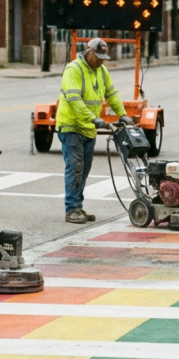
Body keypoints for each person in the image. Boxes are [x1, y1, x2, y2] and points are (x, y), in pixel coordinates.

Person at [56, 38, 132, 224]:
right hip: (71, 126)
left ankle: (78, 207)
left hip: (89, 129)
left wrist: (123, 114)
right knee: (75, 168)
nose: (100, 61)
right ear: (87, 51)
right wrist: (94, 119)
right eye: (97, 57)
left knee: (84, 170)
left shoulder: (102, 71)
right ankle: (72, 208)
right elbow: (74, 100)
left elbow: (111, 95)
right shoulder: (73, 70)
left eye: (102, 58)